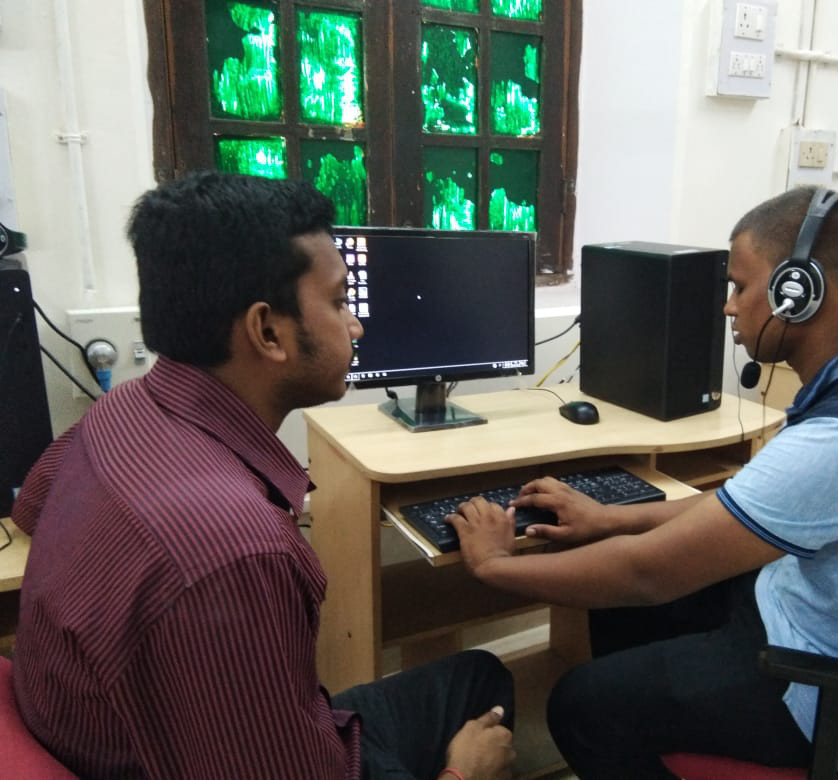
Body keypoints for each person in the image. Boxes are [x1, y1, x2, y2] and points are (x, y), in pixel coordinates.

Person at [447, 187, 838, 777]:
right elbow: (740, 506)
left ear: (798, 291)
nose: (729, 308)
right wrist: (611, 518)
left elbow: (647, 573)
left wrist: (494, 568)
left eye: (739, 286)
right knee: (617, 610)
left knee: (581, 705)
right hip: (824, 624)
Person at [12, 171, 515, 779]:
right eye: (337, 301)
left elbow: (30, 511)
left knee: (479, 676)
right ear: (267, 331)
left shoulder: (120, 411)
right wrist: (464, 775)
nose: (355, 326)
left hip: (156, 731)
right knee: (485, 728)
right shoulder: (237, 552)